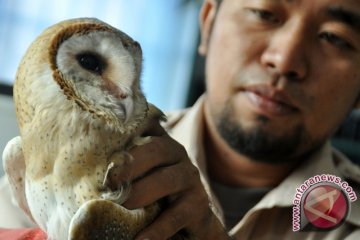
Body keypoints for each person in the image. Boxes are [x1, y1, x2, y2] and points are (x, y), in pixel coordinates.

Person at [1, 0, 360, 239]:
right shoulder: (36, 168)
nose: (284, 60)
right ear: (208, 23)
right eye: (265, 13)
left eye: (334, 37)